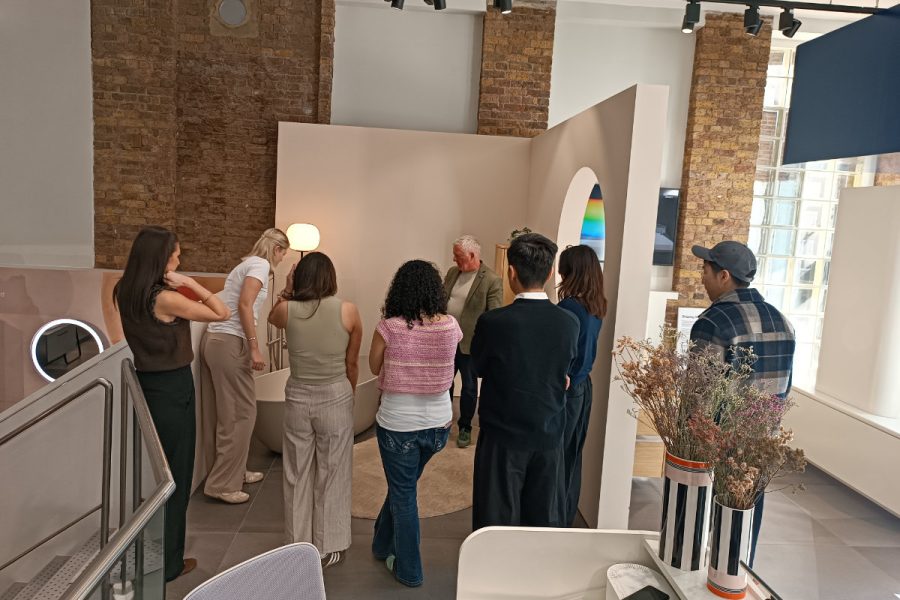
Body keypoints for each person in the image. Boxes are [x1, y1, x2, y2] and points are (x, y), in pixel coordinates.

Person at [114, 226, 231, 582]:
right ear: (162, 259)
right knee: (177, 476)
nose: (179, 260)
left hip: (148, 384)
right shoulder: (164, 298)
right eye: (176, 255)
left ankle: (161, 554)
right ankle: (170, 564)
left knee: (161, 475)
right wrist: (191, 284)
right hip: (173, 386)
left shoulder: (125, 290)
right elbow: (221, 312)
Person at [689, 240, 796, 567]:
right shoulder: (783, 321)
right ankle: (736, 578)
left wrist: (689, 444)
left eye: (705, 270)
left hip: (717, 445)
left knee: (701, 526)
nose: (701, 277)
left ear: (724, 275)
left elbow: (699, 395)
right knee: (746, 521)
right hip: (761, 446)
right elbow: (784, 391)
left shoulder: (713, 322)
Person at [470, 233, 579, 529]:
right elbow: (565, 370)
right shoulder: (569, 323)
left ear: (511, 272)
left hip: (501, 434)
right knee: (543, 522)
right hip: (549, 434)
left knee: (496, 522)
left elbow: (477, 367)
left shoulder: (493, 322)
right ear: (550, 273)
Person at [368, 260, 463, 587]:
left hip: (398, 425)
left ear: (400, 291)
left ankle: (409, 569)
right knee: (403, 487)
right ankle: (381, 543)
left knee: (404, 493)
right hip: (438, 425)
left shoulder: (390, 327)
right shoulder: (451, 326)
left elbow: (373, 367)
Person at [268, 252, 362, 570]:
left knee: (296, 473)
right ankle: (327, 546)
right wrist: (349, 394)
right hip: (335, 393)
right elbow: (352, 363)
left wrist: (287, 288)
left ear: (301, 278)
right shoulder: (348, 311)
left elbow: (272, 317)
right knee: (333, 472)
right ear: (331, 278)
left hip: (298, 395)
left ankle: (297, 545)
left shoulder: (286, 310)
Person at [201, 228, 289, 504]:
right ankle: (222, 484)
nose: (282, 260)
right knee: (239, 415)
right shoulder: (260, 265)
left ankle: (234, 473)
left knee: (236, 413)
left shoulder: (248, 264)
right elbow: (245, 305)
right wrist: (253, 347)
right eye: (283, 254)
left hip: (222, 342)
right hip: (230, 343)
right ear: (277, 250)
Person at [556, 245, 606, 526]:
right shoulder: (596, 305)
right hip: (584, 387)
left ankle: (555, 520)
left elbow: (567, 353)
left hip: (569, 389)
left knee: (558, 457)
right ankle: (566, 518)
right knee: (573, 456)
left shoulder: (569, 308)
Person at [442, 235, 502, 448]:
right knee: (444, 383)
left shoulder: (491, 280)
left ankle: (465, 427)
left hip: (470, 343)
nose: (454, 259)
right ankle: (443, 423)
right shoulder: (452, 273)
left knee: (468, 388)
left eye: (458, 256)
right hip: (446, 340)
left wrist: (486, 344)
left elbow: (494, 315)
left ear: (472, 255)